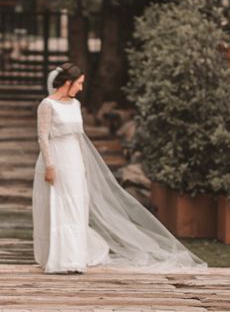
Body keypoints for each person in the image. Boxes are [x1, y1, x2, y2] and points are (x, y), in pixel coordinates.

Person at [32, 63, 206, 273]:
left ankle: (74, 258)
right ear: (67, 83)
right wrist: (50, 165)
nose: (81, 88)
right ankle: (59, 259)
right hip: (57, 158)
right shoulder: (47, 105)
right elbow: (43, 137)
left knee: (77, 205)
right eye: (79, 83)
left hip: (74, 160)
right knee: (59, 205)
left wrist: (84, 165)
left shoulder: (75, 105)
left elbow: (79, 137)